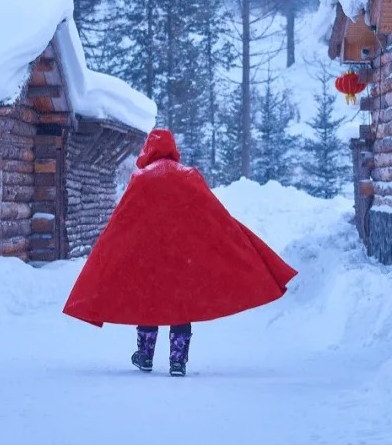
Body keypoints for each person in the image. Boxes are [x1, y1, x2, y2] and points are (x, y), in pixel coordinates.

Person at [63, 129, 298, 377]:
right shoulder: (189, 176)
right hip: (180, 257)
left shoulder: (141, 179)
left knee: (148, 302)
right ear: (172, 149)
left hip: (148, 257)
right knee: (180, 305)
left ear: (148, 150)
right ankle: (177, 362)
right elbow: (212, 215)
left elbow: (123, 221)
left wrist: (111, 250)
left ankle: (145, 356)